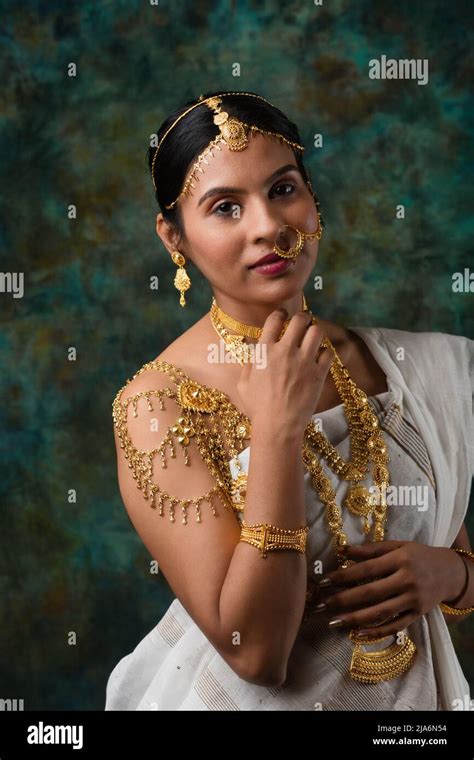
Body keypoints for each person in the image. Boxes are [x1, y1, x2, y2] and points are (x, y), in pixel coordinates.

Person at [105, 90, 474, 711]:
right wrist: (277, 427)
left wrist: (452, 575)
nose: (270, 227)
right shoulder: (157, 407)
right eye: (225, 207)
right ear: (175, 238)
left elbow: (452, 543)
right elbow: (257, 654)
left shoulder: (401, 367)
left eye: (282, 190)